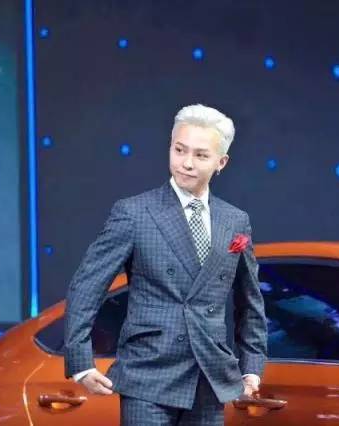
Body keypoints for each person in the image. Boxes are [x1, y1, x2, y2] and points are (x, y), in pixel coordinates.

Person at [64, 103, 268, 425]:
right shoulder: (135, 213)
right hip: (148, 373)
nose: (186, 163)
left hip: (209, 375)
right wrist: (80, 362)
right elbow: (87, 286)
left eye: (200, 155)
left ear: (221, 162)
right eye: (179, 150)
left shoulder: (235, 221)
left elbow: (250, 301)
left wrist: (252, 366)